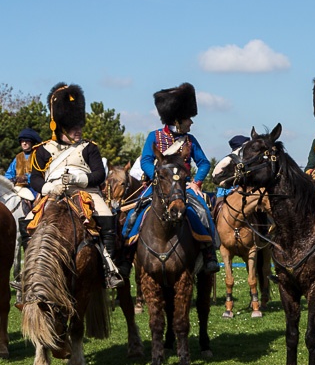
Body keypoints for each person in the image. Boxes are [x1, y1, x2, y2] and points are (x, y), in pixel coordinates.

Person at [27, 83, 123, 289]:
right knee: (27, 222)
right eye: (73, 127)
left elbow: (99, 174)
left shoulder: (89, 148)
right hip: (53, 194)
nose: (78, 130)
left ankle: (108, 268)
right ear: (62, 127)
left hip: (85, 193)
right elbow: (34, 178)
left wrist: (78, 180)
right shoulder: (43, 150)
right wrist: (46, 188)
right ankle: (27, 271)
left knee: (106, 216)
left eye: (79, 126)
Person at [127, 82, 220, 273]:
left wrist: (196, 182)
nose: (191, 123)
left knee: (202, 212)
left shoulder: (190, 141)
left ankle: (209, 253)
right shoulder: (154, 136)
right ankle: (125, 255)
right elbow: (146, 160)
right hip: (158, 185)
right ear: (178, 120)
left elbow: (203, 163)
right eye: (188, 119)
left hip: (184, 188)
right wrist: (158, 178)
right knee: (133, 214)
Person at [5, 128, 41, 208]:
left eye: (27, 141)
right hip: (18, 187)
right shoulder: (17, 158)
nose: (24, 143)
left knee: (36, 203)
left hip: (34, 188)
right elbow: (8, 174)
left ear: (32, 142)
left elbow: (42, 174)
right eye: (22, 141)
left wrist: (26, 178)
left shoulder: (38, 156)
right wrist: (12, 179)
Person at [215, 134, 250, 200]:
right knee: (220, 206)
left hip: (246, 192)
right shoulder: (229, 164)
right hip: (227, 193)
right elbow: (222, 183)